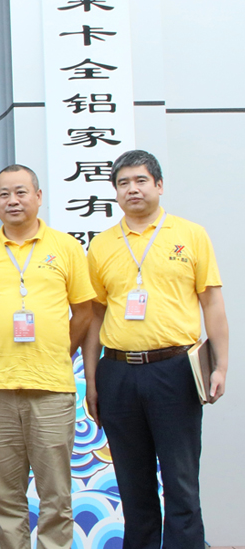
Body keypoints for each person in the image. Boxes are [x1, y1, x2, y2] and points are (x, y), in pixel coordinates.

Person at [83, 150, 229, 549]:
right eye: (123, 183)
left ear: (159, 185)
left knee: (181, 481)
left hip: (175, 370)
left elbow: (212, 302)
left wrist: (221, 365)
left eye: (141, 180)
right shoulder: (102, 245)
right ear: (115, 192)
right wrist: (92, 381)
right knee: (133, 482)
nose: (132, 189)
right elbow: (95, 316)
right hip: (118, 372)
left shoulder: (190, 235)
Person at [0, 164, 94, 549]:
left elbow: (84, 311)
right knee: (5, 496)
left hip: (51, 388)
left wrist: (60, 351)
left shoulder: (66, 247)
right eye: (4, 194)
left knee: (55, 497)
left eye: (20, 192)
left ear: (38, 196)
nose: (12, 200)